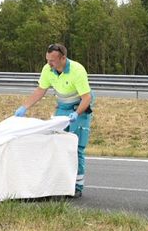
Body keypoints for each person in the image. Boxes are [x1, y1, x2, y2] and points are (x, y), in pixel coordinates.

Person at [14, 43, 93, 197]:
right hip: (63, 107)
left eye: (53, 60)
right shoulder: (47, 69)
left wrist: (77, 113)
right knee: (57, 144)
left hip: (80, 107)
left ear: (63, 58)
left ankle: (77, 187)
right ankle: (60, 184)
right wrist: (24, 107)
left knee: (77, 147)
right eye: (47, 59)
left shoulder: (77, 70)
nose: (49, 63)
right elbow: (40, 90)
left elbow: (87, 97)